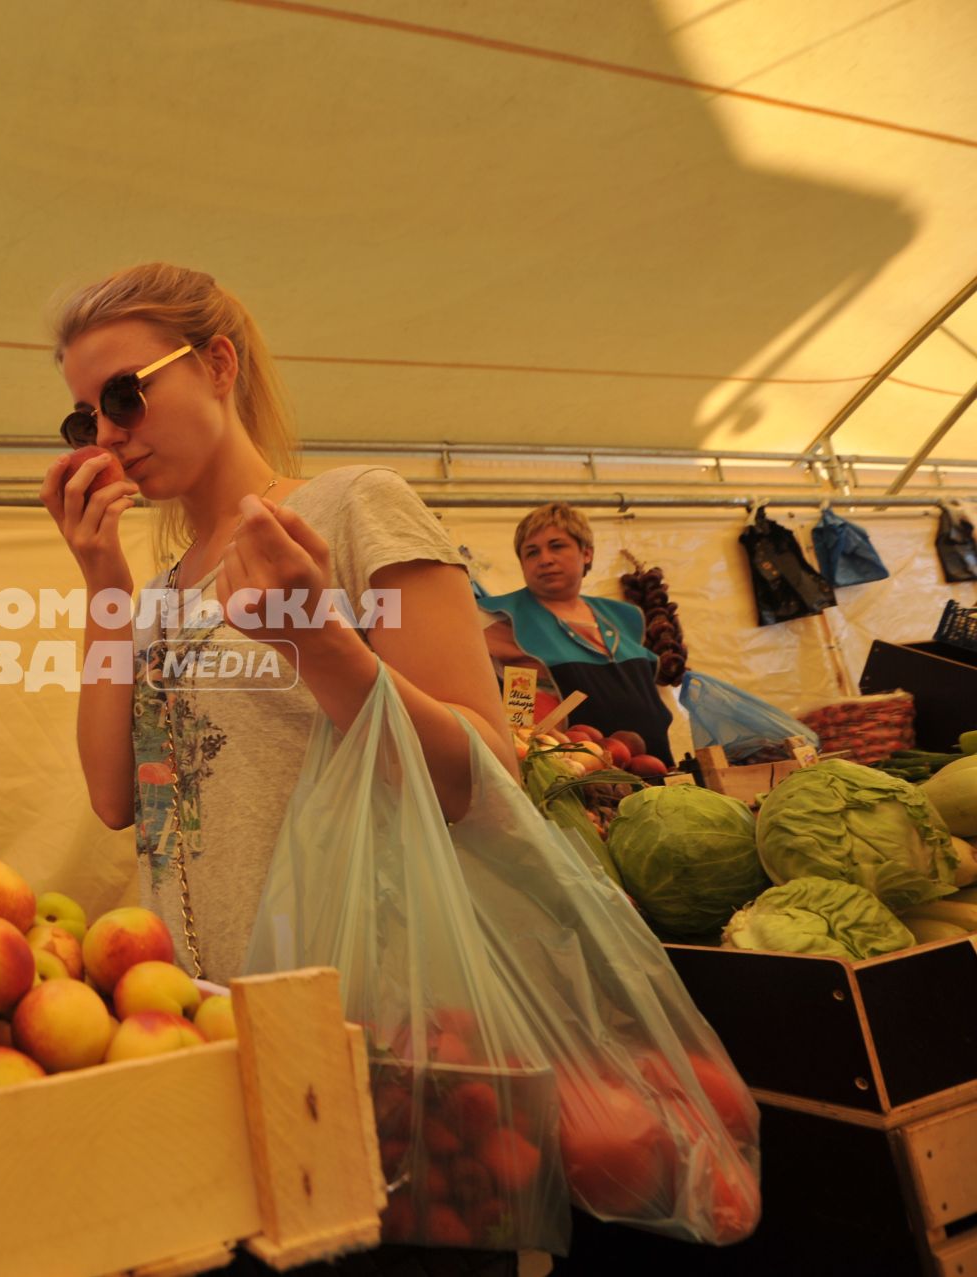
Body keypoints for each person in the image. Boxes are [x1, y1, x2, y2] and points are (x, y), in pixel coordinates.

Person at [39, 262, 512, 983]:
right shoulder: (160, 595)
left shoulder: (354, 508)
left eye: (124, 395)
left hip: (360, 1000)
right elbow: (114, 798)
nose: (105, 433)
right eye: (85, 417)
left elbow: (487, 779)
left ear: (218, 364)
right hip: (202, 1013)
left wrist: (315, 641)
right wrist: (104, 582)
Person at [480, 504, 675, 766]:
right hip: (579, 780)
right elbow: (519, 712)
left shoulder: (625, 616)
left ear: (586, 553)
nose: (545, 559)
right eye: (532, 552)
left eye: (557, 546)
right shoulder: (502, 618)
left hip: (658, 768)